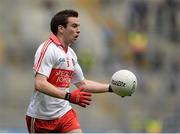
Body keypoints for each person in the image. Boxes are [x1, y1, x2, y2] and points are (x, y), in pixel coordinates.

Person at [26, 9, 113, 133]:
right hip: (41, 117)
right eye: (74, 26)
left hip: (64, 114)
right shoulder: (47, 49)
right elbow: (40, 84)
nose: (78, 30)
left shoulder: (71, 53)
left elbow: (82, 84)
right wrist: (69, 96)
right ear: (61, 29)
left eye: (78, 26)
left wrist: (111, 88)